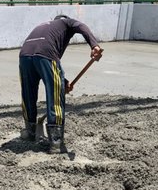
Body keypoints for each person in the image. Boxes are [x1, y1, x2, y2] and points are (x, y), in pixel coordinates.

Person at [19, 15, 103, 153]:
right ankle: (55, 142)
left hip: (24, 55)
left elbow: (50, 65)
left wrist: (62, 83)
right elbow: (81, 26)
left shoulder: (44, 27)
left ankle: (30, 131)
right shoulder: (66, 23)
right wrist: (94, 45)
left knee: (28, 93)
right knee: (55, 96)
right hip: (46, 53)